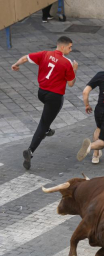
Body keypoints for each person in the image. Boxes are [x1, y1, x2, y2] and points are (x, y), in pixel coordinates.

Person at [11, 36, 78, 170]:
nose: (71, 49)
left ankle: (47, 129)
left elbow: (25, 58)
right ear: (63, 47)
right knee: (44, 122)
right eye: (70, 47)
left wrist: (16, 64)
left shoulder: (45, 54)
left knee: (47, 117)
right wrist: (74, 69)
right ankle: (30, 151)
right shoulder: (67, 62)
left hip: (41, 93)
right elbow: (70, 84)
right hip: (55, 97)